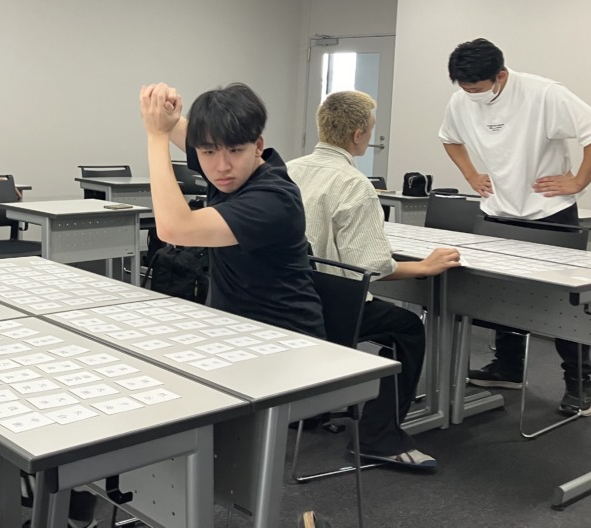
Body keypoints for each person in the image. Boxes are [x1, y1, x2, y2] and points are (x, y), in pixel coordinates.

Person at [287, 91, 461, 469]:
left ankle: (309, 410)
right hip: (327, 308)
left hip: (285, 303)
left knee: (390, 319)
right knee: (408, 328)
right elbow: (371, 267)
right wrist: (425, 267)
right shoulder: (354, 183)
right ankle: (378, 437)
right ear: (358, 135)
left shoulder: (287, 170)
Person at [440, 37, 591, 415]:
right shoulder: (461, 100)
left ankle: (580, 383)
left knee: (564, 305)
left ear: (500, 75)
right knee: (503, 296)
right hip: (499, 213)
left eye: (477, 88)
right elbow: (450, 139)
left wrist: (578, 181)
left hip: (550, 214)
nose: (471, 95)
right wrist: (472, 175)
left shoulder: (545, 94)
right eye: (465, 88)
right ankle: (508, 367)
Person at [139, 82, 325, 339]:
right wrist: (162, 110)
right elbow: (187, 130)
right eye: (209, 152)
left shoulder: (274, 199)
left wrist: (156, 135)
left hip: (285, 337)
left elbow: (174, 229)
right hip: (232, 328)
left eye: (235, 150)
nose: (222, 166)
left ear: (258, 146)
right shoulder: (234, 171)